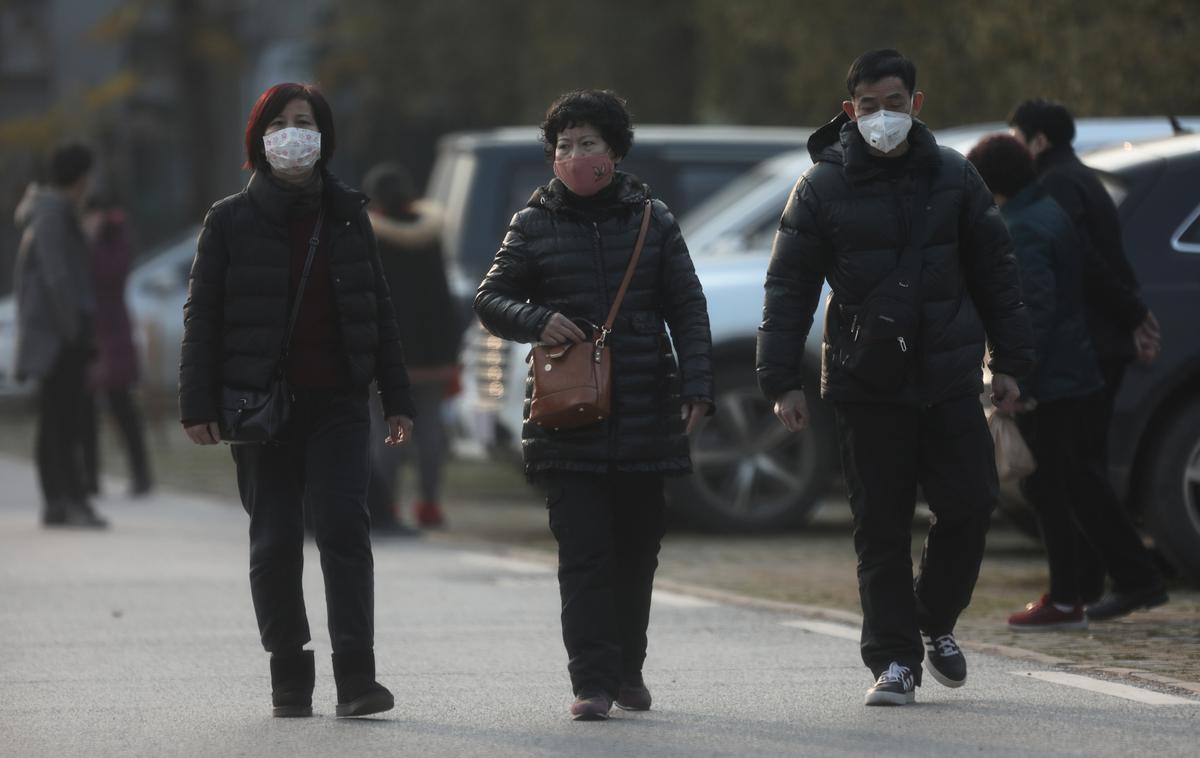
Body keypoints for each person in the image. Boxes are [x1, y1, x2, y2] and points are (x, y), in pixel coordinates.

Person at [756, 50, 1033, 706]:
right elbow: (787, 286)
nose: (884, 117)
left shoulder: (954, 177)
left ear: (918, 103)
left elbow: (998, 273)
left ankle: (932, 619)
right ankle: (895, 660)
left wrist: (1012, 364)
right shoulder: (821, 187)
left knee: (970, 505)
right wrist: (779, 381)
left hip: (947, 377)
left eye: (895, 103)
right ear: (850, 110)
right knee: (879, 525)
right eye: (870, 106)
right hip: (864, 380)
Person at [475, 89, 714, 721]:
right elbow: (490, 299)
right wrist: (539, 318)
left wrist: (698, 384)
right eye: (564, 146)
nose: (575, 156)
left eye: (587, 143)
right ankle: (592, 681)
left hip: (646, 410)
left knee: (637, 551)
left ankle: (628, 668)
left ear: (614, 150)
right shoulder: (532, 223)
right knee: (583, 554)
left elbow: (687, 306)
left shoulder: (652, 219)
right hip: (566, 416)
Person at [178, 83, 415, 719]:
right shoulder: (228, 220)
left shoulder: (347, 213)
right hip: (260, 408)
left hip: (337, 401)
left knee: (345, 532)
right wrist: (196, 402)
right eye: (279, 123)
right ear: (259, 139)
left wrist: (397, 397)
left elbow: (378, 310)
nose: (292, 133)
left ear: (323, 136)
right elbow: (203, 316)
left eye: (304, 122)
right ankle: (289, 674)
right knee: (276, 539)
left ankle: (357, 679)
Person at [966, 135, 1169, 629]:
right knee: (1077, 481)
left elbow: (1030, 310)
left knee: (1049, 487)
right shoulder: (1047, 211)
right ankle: (1106, 581)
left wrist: (1015, 376)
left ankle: (1073, 593)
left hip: (1051, 378)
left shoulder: (1020, 228)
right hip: (1073, 370)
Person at [13, 144, 108, 528]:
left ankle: (58, 502)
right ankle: (68, 500)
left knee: (56, 419)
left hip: (58, 333)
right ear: (82, 177)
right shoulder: (52, 215)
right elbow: (57, 276)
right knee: (65, 420)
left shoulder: (54, 212)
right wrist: (73, 330)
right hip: (58, 337)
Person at [361, 162, 460, 533]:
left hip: (386, 354)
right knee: (431, 431)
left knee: (386, 430)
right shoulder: (431, 235)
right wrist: (449, 352)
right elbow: (443, 295)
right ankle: (430, 504)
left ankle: (385, 505)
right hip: (433, 354)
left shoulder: (369, 235)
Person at [79, 193, 153, 497]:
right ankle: (90, 477)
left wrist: (93, 240)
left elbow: (109, 272)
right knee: (86, 410)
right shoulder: (84, 240)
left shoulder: (114, 238)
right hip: (89, 332)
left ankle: (141, 474)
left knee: (121, 406)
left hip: (113, 331)